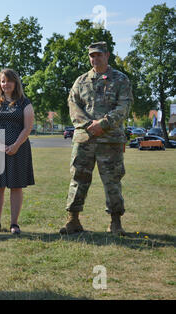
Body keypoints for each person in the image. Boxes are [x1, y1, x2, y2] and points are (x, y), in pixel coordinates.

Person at [60, 41, 133, 236]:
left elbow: (123, 107)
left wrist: (103, 124)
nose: (95, 58)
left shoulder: (120, 79)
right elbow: (73, 105)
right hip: (84, 139)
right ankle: (73, 220)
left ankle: (115, 222)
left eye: (99, 55)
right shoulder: (81, 81)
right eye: (92, 55)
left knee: (113, 181)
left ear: (107, 55)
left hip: (110, 140)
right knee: (78, 179)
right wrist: (89, 126)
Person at [0, 69, 35, 235]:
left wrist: (16, 145)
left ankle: (14, 224)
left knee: (16, 186)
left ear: (15, 83)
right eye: (3, 81)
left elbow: (28, 127)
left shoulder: (24, 102)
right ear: (0, 84)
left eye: (9, 81)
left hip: (19, 149)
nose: (6, 84)